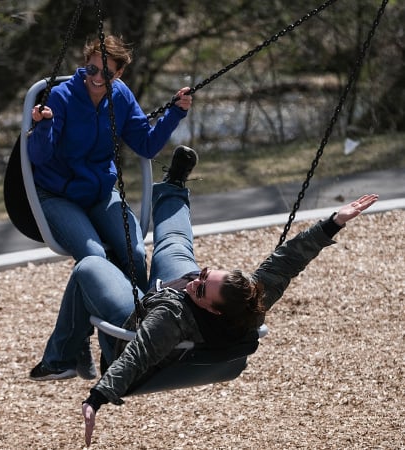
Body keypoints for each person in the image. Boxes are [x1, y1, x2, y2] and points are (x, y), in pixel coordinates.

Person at [28, 146, 378, 446]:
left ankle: (60, 357)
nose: (199, 277)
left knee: (90, 265)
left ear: (213, 309)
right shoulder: (248, 301)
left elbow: (137, 356)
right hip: (170, 300)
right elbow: (288, 260)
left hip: (136, 317)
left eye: (201, 286)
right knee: (177, 245)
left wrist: (97, 398)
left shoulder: (170, 319)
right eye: (207, 274)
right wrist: (334, 222)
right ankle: (175, 186)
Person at [28, 34, 193, 293]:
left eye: (107, 73)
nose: (97, 78)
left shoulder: (121, 96)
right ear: (85, 65)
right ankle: (87, 329)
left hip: (99, 192)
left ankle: (140, 319)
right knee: (95, 258)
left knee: (135, 254)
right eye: (92, 69)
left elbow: (146, 145)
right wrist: (43, 125)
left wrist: (175, 112)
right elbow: (38, 157)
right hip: (58, 194)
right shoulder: (61, 97)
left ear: (119, 73)